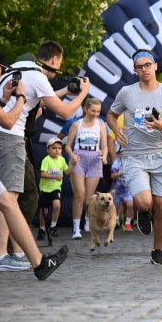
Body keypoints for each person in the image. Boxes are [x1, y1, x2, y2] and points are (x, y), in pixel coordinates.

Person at [0, 41, 89, 272]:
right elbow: (63, 112)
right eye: (59, 64)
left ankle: (15, 252)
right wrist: (83, 95)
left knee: (6, 196)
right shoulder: (38, 76)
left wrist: (63, 92)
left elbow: (38, 99)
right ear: (55, 60)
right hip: (9, 137)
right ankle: (2, 256)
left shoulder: (16, 68)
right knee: (8, 199)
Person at [106, 49, 162, 265]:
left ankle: (158, 250)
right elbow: (110, 115)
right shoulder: (126, 92)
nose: (144, 69)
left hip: (161, 155)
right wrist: (116, 129)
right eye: (139, 67)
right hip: (134, 155)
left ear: (155, 66)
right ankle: (143, 210)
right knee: (144, 202)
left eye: (147, 65)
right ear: (134, 71)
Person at [65, 97, 108, 239]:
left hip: (95, 160)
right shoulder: (76, 125)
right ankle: (76, 229)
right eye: (93, 111)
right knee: (79, 194)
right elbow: (67, 146)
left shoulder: (101, 125)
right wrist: (72, 155)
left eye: (98, 111)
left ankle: (88, 221)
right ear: (85, 109)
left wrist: (104, 156)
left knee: (89, 199)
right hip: (79, 160)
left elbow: (104, 146)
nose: (96, 114)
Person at [37, 137, 72, 240]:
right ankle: (42, 228)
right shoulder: (46, 160)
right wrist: (55, 177)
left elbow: (67, 172)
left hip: (56, 188)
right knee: (44, 211)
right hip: (45, 189)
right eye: (54, 148)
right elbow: (43, 174)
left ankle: (53, 226)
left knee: (57, 206)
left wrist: (73, 165)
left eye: (60, 148)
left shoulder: (62, 160)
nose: (57, 150)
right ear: (48, 149)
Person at [110, 149, 134, 231]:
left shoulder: (132, 162)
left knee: (130, 205)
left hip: (128, 188)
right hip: (117, 188)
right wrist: (119, 173)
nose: (123, 154)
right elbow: (112, 176)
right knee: (117, 206)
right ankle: (116, 220)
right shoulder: (116, 163)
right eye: (121, 153)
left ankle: (128, 223)